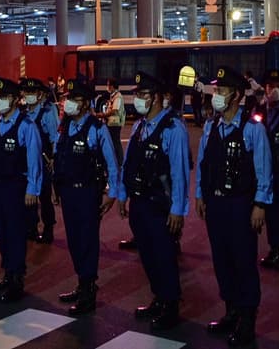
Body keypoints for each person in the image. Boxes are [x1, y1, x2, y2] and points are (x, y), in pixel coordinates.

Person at [193, 66, 272, 349]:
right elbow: (203, 163)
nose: (217, 95)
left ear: (237, 95)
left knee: (243, 262)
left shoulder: (253, 128)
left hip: (241, 205)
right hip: (216, 203)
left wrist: (260, 205)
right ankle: (231, 311)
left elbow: (264, 171)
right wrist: (200, 194)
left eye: (222, 91)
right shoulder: (211, 127)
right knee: (222, 260)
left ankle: (248, 320)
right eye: (216, 90)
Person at [118, 70, 190, 332]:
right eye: (137, 95)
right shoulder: (138, 127)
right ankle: (158, 298)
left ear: (157, 98)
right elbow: (128, 164)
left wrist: (178, 209)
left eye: (144, 95)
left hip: (161, 206)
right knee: (147, 256)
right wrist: (122, 195)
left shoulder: (173, 129)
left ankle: (171, 305)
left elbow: (179, 172)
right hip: (140, 203)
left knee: (163, 256)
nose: (138, 99)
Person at [53, 77, 120, 314]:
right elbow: (59, 158)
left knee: (87, 241)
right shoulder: (66, 126)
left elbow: (111, 162)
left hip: (88, 192)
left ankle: (89, 289)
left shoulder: (96, 128)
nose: (67, 103)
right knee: (73, 240)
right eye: (67, 98)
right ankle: (82, 282)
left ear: (84, 103)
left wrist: (113, 193)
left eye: (73, 99)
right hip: (69, 192)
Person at [0, 75, 42, 302]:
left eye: (4, 97)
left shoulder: (26, 126)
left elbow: (34, 161)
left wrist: (33, 189)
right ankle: (7, 272)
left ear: (15, 99)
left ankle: (16, 279)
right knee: (2, 232)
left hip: (17, 187)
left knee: (15, 233)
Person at [257, 68, 279, 269]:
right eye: (271, 86)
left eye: (278, 87)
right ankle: (276, 250)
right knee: (271, 214)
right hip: (265, 174)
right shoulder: (257, 112)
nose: (274, 90)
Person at [21, 76, 59, 244]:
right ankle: (31, 227)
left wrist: (54, 158)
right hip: (27, 161)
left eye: (32, 92)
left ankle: (48, 228)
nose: (29, 95)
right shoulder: (23, 112)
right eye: (27, 92)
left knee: (44, 196)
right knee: (28, 195)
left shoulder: (48, 112)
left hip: (43, 160)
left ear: (40, 94)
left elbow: (54, 137)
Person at [104, 78, 125, 155]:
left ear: (112, 86)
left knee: (116, 142)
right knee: (113, 142)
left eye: (108, 85)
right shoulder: (113, 96)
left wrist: (103, 115)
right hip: (112, 123)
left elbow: (114, 110)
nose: (107, 87)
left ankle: (120, 160)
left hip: (115, 124)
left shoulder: (118, 96)